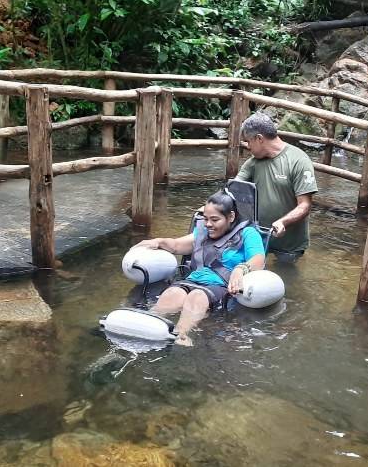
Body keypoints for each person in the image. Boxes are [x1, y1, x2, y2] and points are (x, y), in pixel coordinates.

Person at [133, 190, 266, 346]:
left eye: (215, 220)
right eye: (206, 219)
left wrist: (240, 269)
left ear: (231, 217)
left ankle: (181, 334)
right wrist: (158, 242)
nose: (208, 224)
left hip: (221, 285)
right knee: (172, 293)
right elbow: (176, 245)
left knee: (197, 296)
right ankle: (147, 323)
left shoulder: (248, 234)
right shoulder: (202, 232)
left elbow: (259, 259)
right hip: (193, 279)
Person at [236, 112, 317, 262]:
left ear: (259, 138)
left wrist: (282, 222)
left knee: (285, 273)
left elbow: (305, 205)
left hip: (289, 244)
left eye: (248, 141)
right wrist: (211, 207)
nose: (248, 147)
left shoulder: (298, 160)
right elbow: (233, 190)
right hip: (258, 238)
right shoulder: (253, 163)